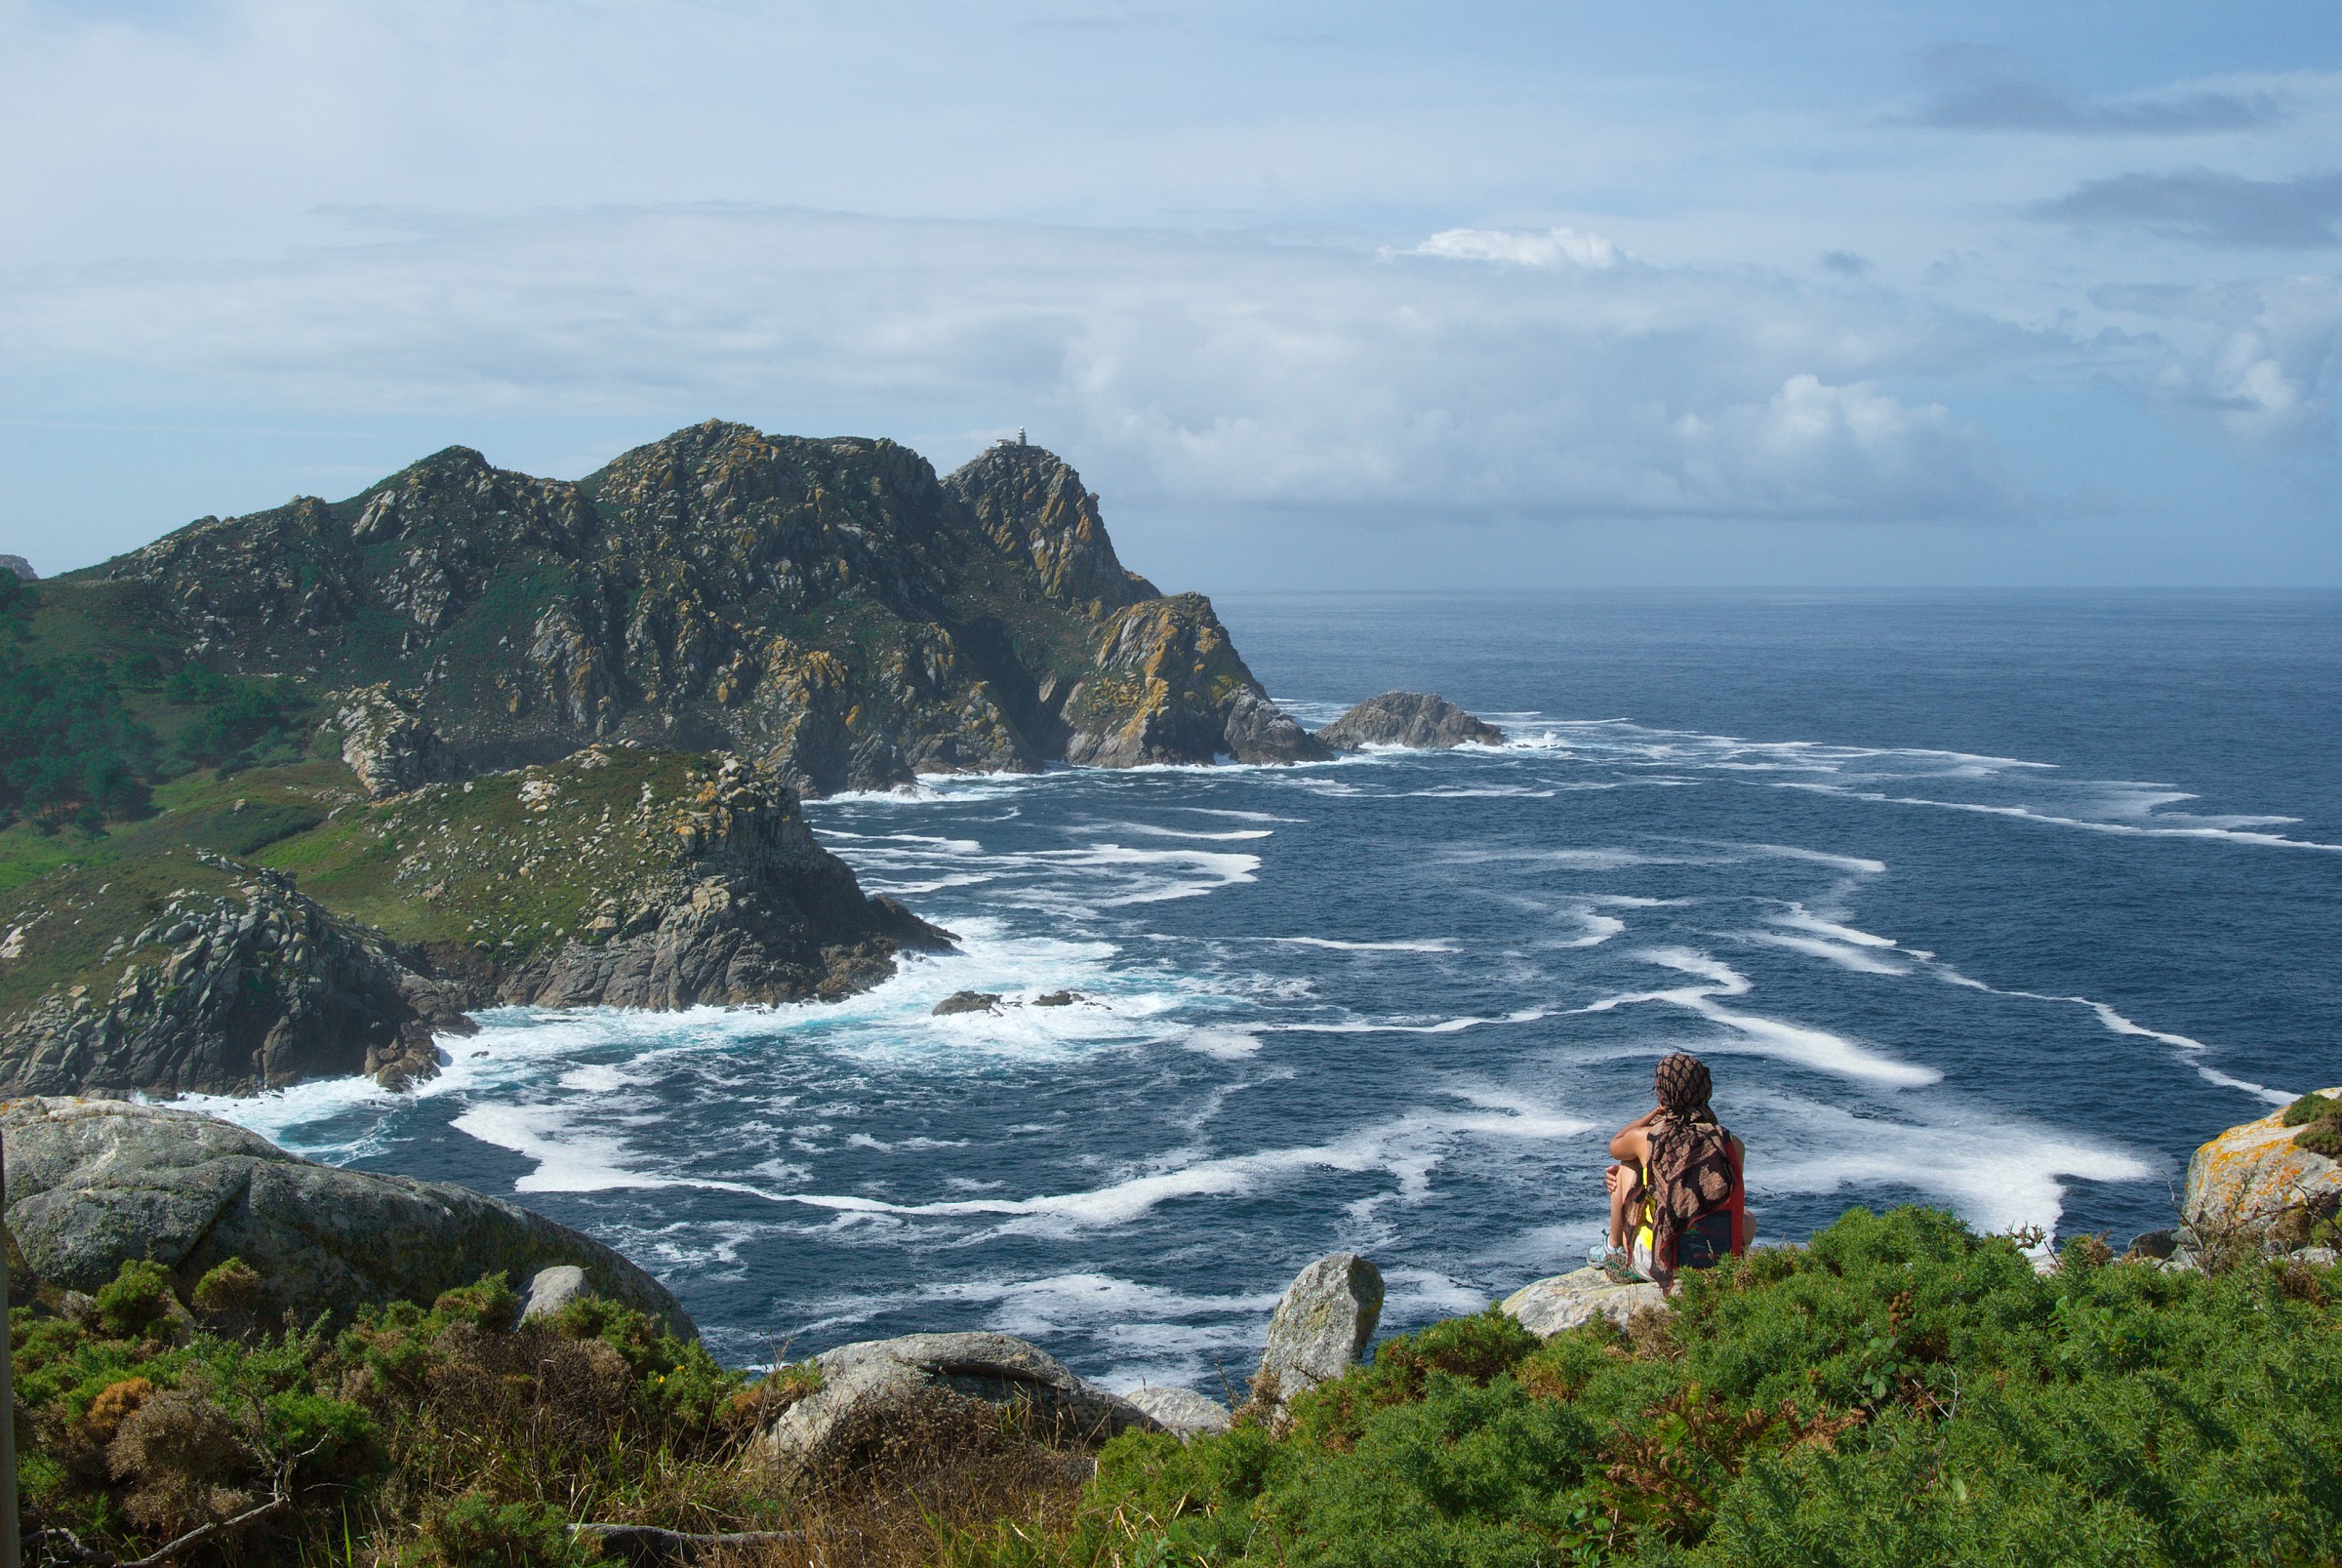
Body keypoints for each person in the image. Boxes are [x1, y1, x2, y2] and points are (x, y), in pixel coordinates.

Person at [1590, 1053, 1750, 1291]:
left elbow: (1616, 1143)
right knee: (1748, 1218)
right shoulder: (1731, 1143)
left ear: (1661, 1095)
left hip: (1663, 1262)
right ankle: (1719, 1256)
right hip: (1718, 1260)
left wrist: (1655, 1114)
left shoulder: (1646, 1139)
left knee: (1626, 1166)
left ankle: (1612, 1247)